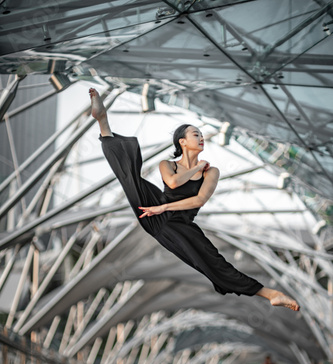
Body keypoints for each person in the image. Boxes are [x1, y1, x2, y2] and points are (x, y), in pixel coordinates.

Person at [89, 88, 300, 311]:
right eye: (195, 134)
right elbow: (172, 183)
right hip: (154, 210)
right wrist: (194, 169)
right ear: (182, 141)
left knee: (213, 264)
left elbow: (198, 201)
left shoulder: (212, 172)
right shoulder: (167, 164)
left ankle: (272, 294)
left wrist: (165, 207)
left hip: (178, 224)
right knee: (129, 176)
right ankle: (102, 120)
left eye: (201, 135)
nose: (201, 138)